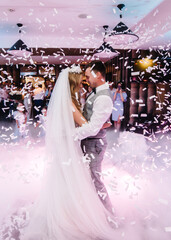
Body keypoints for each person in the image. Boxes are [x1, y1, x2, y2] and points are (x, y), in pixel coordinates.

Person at [23, 65, 117, 240]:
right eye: (82, 80)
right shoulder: (71, 102)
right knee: (79, 179)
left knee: (86, 179)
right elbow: (86, 126)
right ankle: (86, 214)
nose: (85, 82)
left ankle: (106, 213)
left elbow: (87, 125)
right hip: (76, 143)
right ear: (74, 83)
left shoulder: (91, 98)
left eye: (87, 77)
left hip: (85, 143)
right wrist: (99, 126)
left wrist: (95, 126)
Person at [74, 61, 114, 214]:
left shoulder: (103, 97)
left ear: (98, 74)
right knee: (88, 179)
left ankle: (110, 214)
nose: (86, 79)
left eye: (87, 76)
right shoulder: (95, 91)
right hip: (90, 141)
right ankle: (93, 212)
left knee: (95, 181)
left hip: (94, 144)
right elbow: (96, 122)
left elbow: (92, 128)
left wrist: (71, 135)